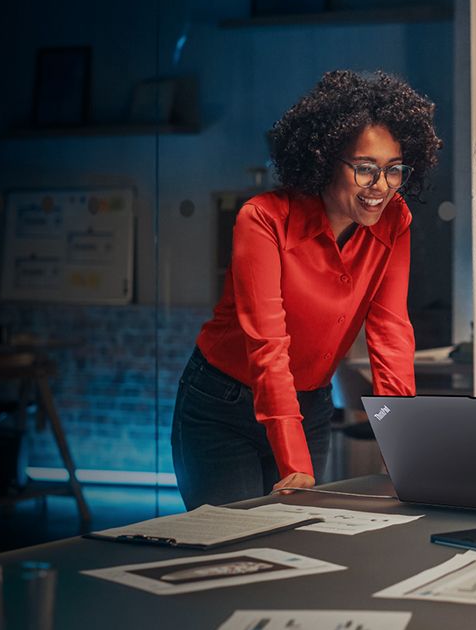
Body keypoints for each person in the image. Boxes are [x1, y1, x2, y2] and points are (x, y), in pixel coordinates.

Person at [172, 70, 442, 510]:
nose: (382, 187)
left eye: (394, 170)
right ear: (323, 159)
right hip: (223, 408)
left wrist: (402, 446)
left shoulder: (396, 219)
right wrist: (293, 460)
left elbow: (391, 331)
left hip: (310, 404)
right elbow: (267, 344)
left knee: (293, 545)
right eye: (366, 169)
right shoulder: (262, 219)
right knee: (232, 548)